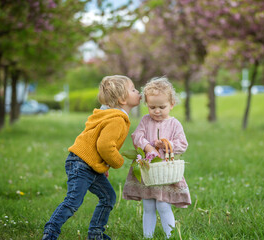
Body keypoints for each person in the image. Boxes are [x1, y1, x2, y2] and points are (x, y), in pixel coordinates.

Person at [42, 75, 141, 240]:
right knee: (73, 200)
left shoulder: (108, 114)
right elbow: (104, 146)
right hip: (81, 164)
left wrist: (103, 166)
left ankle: (96, 234)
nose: (137, 91)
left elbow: (96, 142)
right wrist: (118, 162)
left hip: (88, 164)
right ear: (122, 99)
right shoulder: (116, 119)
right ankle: (50, 233)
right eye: (133, 89)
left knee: (108, 197)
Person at [123, 77, 191, 239]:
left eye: (162, 107)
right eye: (152, 107)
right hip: (148, 170)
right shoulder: (146, 121)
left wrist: (167, 145)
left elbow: (182, 144)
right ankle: (148, 236)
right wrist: (148, 146)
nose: (157, 111)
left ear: (172, 104)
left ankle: (171, 235)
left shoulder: (174, 124)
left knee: (163, 204)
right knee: (148, 205)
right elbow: (137, 136)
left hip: (165, 171)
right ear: (147, 104)